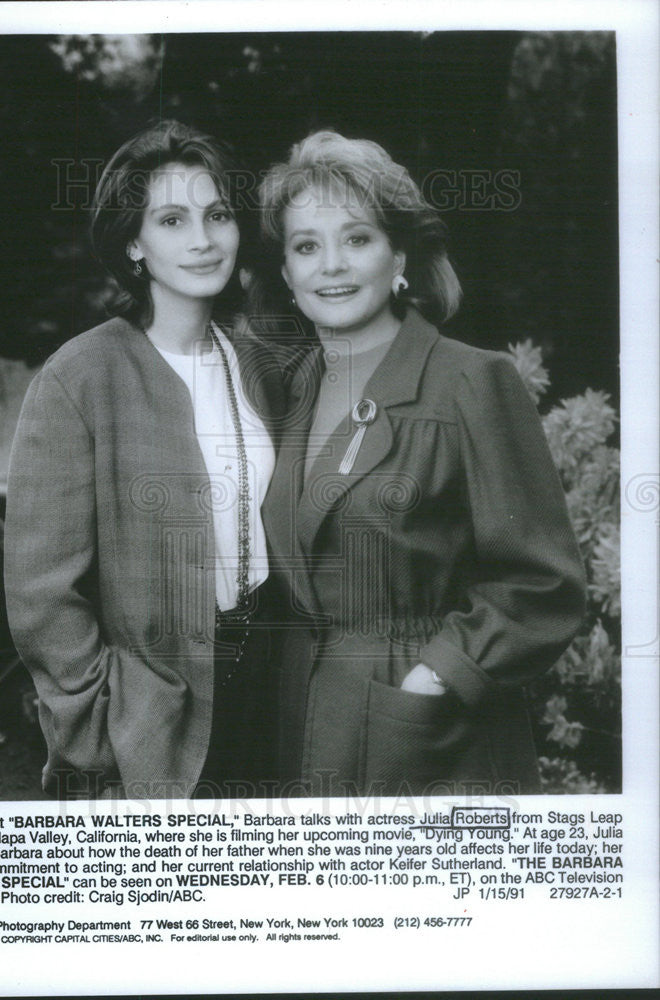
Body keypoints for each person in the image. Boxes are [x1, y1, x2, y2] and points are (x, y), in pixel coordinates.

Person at [251, 130, 587, 797]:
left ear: (399, 255)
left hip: (433, 737)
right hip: (307, 728)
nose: (332, 266)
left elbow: (543, 586)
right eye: (306, 246)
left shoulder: (472, 381)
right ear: (288, 276)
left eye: (358, 239)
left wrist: (435, 677)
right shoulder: (288, 392)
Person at [4, 120, 284, 800]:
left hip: (268, 697)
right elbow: (42, 593)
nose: (203, 239)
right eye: (172, 219)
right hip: (148, 717)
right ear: (134, 240)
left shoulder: (259, 365)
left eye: (217, 214)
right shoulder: (82, 376)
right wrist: (97, 730)